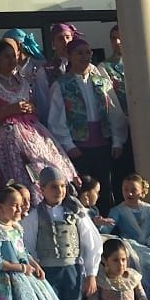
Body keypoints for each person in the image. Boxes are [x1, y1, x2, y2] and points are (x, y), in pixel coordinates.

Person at [0, 36, 76, 189]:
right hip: (6, 138)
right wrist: (10, 110)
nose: (11, 60)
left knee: (47, 164)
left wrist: (31, 108)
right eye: (6, 56)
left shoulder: (23, 81)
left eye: (14, 56)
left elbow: (34, 107)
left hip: (32, 131)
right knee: (22, 177)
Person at [46, 36, 125, 195]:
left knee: (104, 189)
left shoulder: (102, 82)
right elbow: (56, 120)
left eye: (88, 53)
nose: (85, 57)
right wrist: (69, 145)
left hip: (103, 145)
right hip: (79, 147)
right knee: (82, 190)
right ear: (69, 56)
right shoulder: (61, 85)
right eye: (79, 53)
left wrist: (117, 141)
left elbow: (115, 113)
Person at [22, 166, 100, 300]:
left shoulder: (76, 212)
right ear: (42, 189)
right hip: (47, 272)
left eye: (63, 186)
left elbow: (91, 241)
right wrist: (35, 267)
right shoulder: (35, 216)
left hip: (72, 271)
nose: (59, 190)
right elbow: (27, 245)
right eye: (53, 187)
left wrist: (91, 273)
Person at [108, 173, 150, 253]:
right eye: (126, 190)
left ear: (141, 192)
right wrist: (100, 224)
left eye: (133, 190)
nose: (129, 193)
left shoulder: (149, 209)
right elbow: (107, 228)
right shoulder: (117, 210)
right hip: (131, 250)